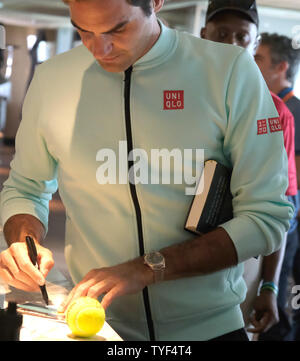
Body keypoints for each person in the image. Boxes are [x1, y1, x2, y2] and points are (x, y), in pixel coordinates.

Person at [0, 0, 293, 341]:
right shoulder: (52, 79)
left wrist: (147, 268)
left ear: (155, 3)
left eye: (117, 29)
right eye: (84, 31)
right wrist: (24, 242)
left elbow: (267, 217)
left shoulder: (229, 72)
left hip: (208, 328)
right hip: (95, 325)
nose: (100, 48)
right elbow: (27, 187)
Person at [201, 0, 298, 337]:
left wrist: (270, 287)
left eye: (241, 37)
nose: (231, 44)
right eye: (222, 33)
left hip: (239, 258)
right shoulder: (174, 98)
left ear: (254, 44)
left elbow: (280, 206)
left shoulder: (275, 113)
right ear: (203, 36)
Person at [255, 32, 300, 340]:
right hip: (277, 204)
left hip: (288, 209)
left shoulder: (292, 110)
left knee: (279, 288)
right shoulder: (257, 103)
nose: (252, 62)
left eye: (259, 58)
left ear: (281, 67)